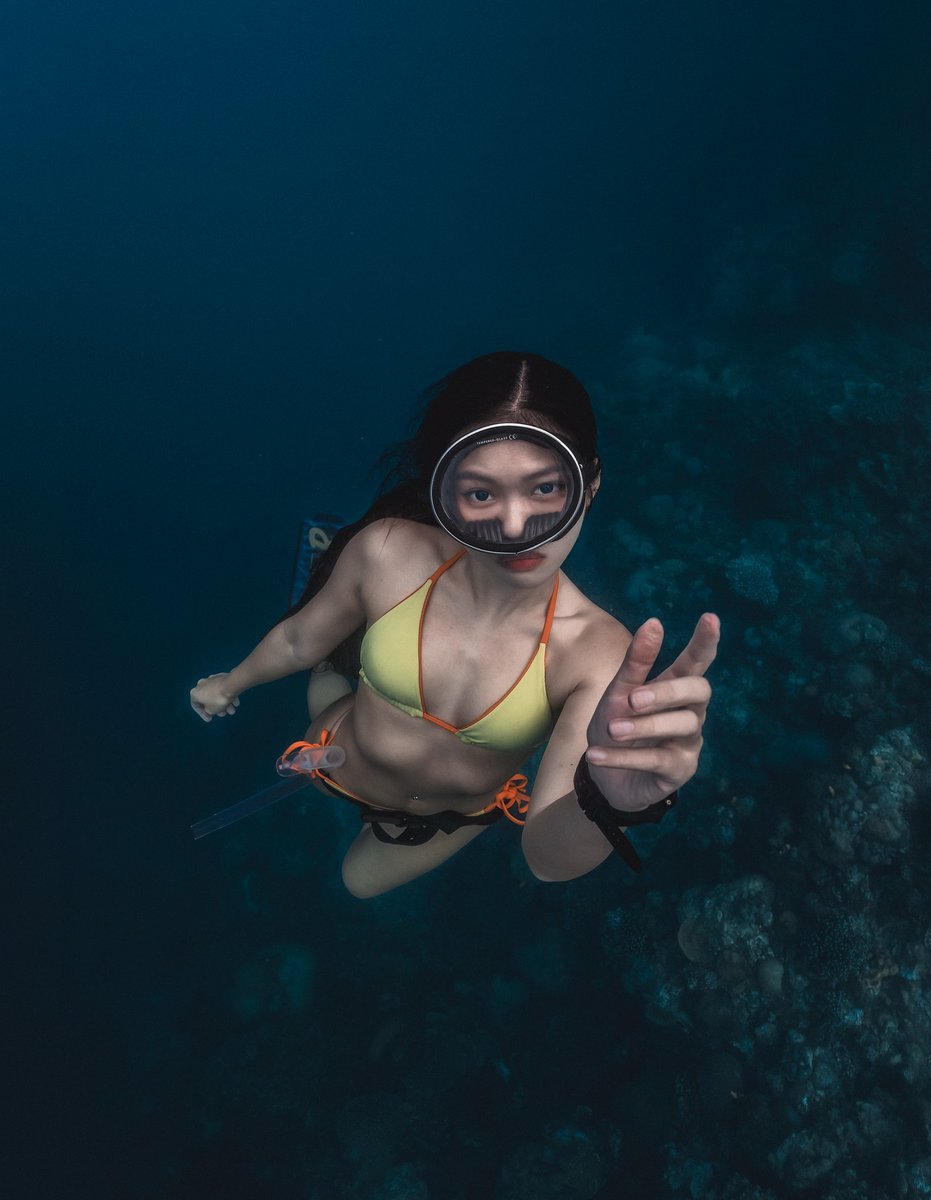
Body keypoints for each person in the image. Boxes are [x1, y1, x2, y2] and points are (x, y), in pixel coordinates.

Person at [190, 352, 719, 897]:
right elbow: (297, 640)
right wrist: (229, 682)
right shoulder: (388, 551)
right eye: (481, 494)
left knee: (357, 883)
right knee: (320, 658)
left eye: (544, 489)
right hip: (334, 759)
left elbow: (545, 860)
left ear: (591, 484)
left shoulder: (599, 654)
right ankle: (336, 617)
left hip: (444, 818)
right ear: (443, 494)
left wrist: (610, 801)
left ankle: (341, 614)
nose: (515, 528)